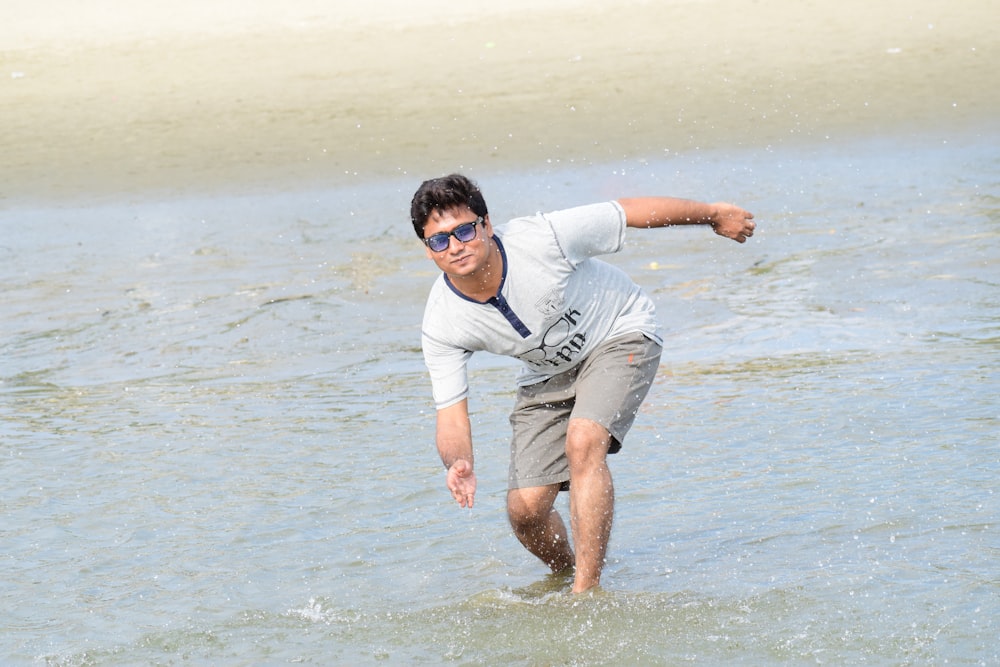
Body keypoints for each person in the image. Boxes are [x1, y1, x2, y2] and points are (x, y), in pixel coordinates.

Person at [410, 173, 755, 593]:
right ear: (428, 252)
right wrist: (458, 463)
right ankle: (568, 573)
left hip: (619, 332)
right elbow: (450, 413)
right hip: (546, 373)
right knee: (526, 510)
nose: (456, 246)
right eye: (440, 240)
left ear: (486, 225)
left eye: (464, 230)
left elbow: (627, 212)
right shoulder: (442, 319)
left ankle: (586, 594)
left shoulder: (542, 239)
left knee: (583, 440)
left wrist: (713, 214)